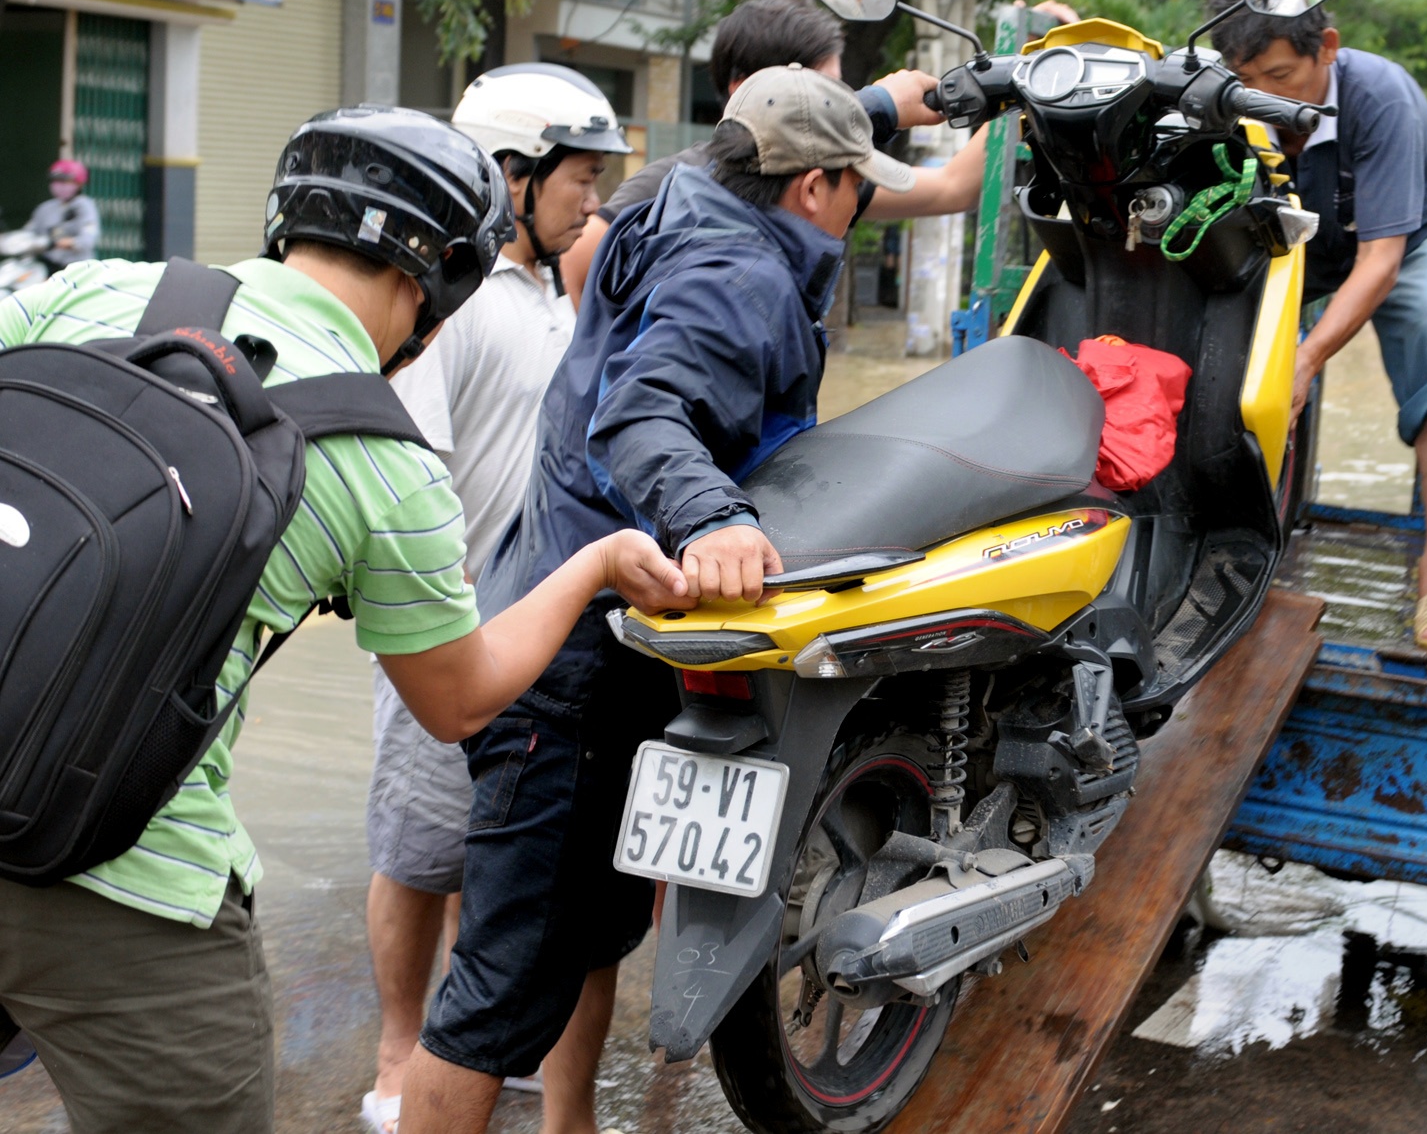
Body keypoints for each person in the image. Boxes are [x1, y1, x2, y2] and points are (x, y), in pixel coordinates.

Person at [0, 106, 689, 1134]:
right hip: (124, 880)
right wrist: (593, 563)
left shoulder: (96, 289)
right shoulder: (385, 463)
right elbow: (459, 700)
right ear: (442, 276)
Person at [397, 65, 914, 1133]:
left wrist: (894, 104)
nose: (859, 206)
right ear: (813, 187)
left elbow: (774, 137)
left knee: (593, 933)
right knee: (492, 1000)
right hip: (572, 681)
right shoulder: (739, 270)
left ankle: (571, 1123)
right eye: (855, 186)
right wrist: (712, 516)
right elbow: (641, 416)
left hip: (600, 638)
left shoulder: (679, 194)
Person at [360, 65, 630, 1134]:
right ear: (512, 175)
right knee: (420, 851)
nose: (592, 200)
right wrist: (439, 600)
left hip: (538, 631)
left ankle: (479, 1043)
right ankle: (398, 1052)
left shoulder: (561, 294)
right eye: (579, 178)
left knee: (498, 853)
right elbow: (409, 457)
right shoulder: (450, 301)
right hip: (446, 626)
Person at [1210, 0, 1427, 653]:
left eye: (1280, 76)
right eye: (1246, 79)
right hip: (1302, 236)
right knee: (1215, 327)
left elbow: (1382, 262)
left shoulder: (1381, 97)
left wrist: (1305, 359)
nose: (1262, 95)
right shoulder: (1225, 100)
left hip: (1411, 235)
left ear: (1326, 48)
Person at [560, 0, 1002, 304]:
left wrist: (1018, 80)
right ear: (745, 89)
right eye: (822, 93)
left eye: (838, 93)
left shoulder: (817, 174)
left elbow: (953, 187)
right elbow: (579, 262)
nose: (836, 106)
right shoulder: (685, 182)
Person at [28, 159, 100, 270]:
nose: (59, 185)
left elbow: (87, 240)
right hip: (48, 265)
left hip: (77, 269)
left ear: (79, 183)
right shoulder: (45, 208)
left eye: (65, 181)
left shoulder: (85, 206)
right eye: (56, 180)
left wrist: (63, 243)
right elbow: (29, 232)